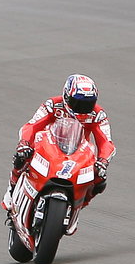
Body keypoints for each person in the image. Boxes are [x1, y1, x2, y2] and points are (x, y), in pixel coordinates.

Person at [8, 74, 114, 209]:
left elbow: (106, 142)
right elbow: (32, 126)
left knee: (100, 179)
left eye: (88, 104)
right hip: (49, 147)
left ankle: (79, 204)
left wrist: (103, 161)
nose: (81, 108)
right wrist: (24, 143)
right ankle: (11, 190)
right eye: (77, 102)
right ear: (66, 96)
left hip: (78, 153)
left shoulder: (98, 114)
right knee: (21, 158)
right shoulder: (52, 105)